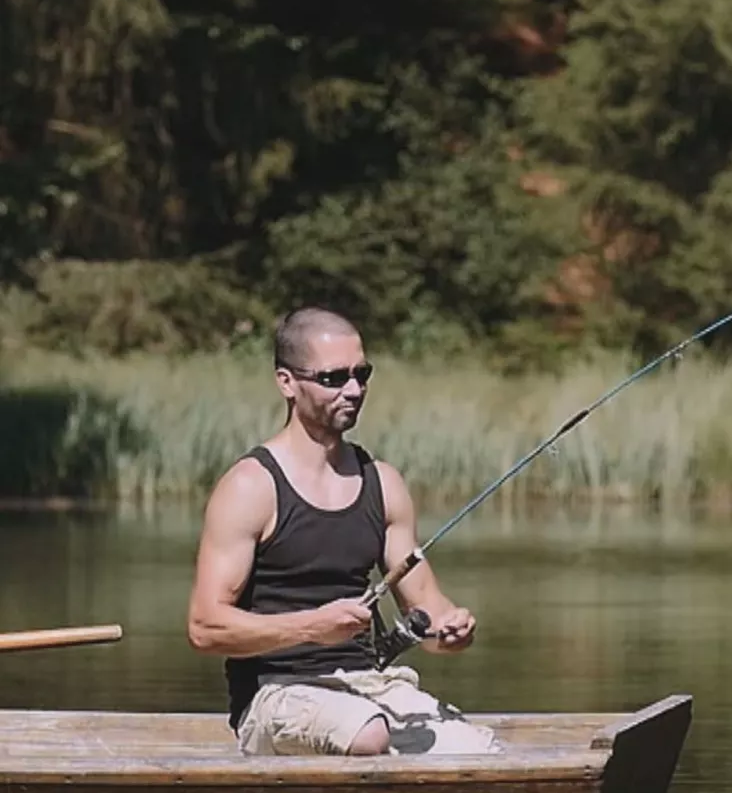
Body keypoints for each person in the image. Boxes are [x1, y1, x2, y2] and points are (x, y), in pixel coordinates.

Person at [186, 307, 502, 756]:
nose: (353, 390)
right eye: (334, 378)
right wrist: (314, 627)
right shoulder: (250, 487)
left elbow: (428, 610)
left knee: (476, 751)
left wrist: (451, 630)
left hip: (368, 688)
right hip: (274, 694)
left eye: (362, 374)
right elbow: (205, 628)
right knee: (368, 732)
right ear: (287, 382)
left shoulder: (383, 484)